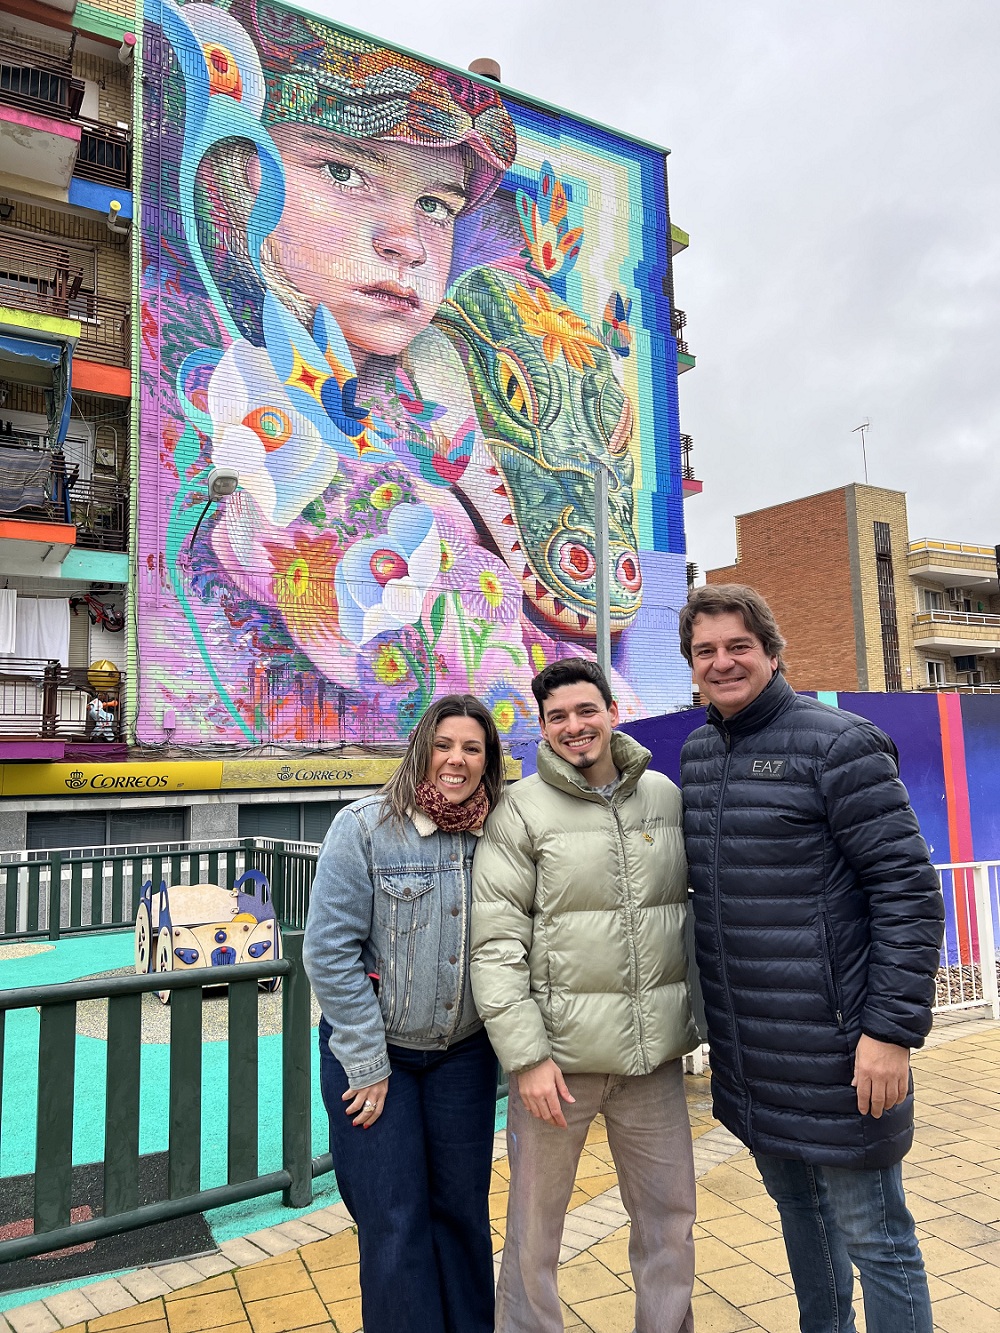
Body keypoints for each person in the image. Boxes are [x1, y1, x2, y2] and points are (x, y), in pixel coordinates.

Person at [678, 584, 945, 1333]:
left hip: (842, 1050)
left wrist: (890, 1032)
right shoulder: (699, 755)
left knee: (876, 1237)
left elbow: (907, 891)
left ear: (771, 650)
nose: (723, 662)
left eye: (739, 646)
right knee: (801, 1217)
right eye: (706, 651)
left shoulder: (839, 743)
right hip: (754, 1052)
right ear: (691, 666)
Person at [470, 657, 699, 1333]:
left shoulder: (663, 795)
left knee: (671, 1226)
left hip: (653, 1062)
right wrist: (527, 1055)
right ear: (542, 727)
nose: (575, 726)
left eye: (585, 710)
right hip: (557, 1068)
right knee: (534, 1234)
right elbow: (495, 945)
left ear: (611, 712)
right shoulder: (521, 811)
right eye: (558, 717)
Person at [302, 694, 506, 1333]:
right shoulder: (363, 827)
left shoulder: (500, 833)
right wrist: (365, 1061)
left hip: (463, 1056)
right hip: (375, 1056)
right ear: (422, 748)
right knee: (393, 1219)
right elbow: (329, 950)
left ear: (488, 761)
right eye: (445, 744)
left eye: (472, 748)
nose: (456, 760)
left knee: (462, 1213)